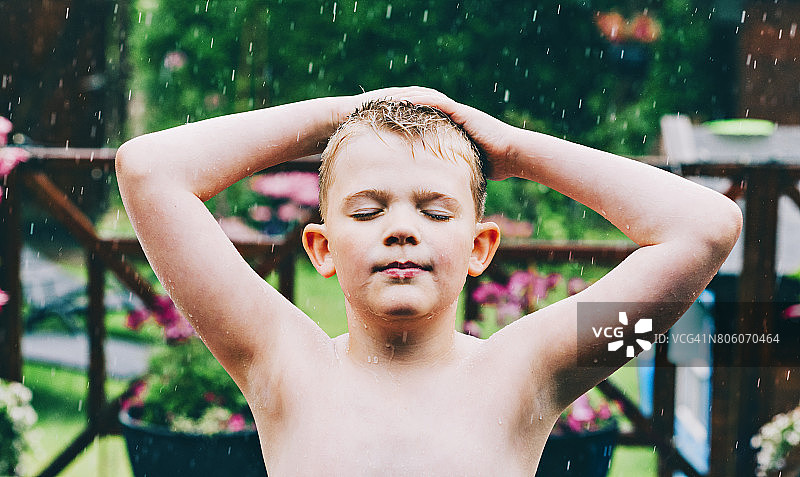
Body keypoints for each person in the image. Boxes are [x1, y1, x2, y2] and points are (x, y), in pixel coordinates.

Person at [116, 86, 741, 475]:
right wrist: (341, 115)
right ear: (321, 247)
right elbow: (148, 170)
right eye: (366, 211)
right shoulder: (280, 362)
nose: (400, 230)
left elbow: (705, 227)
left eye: (436, 212)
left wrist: (516, 150)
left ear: (479, 247)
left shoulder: (531, 371)